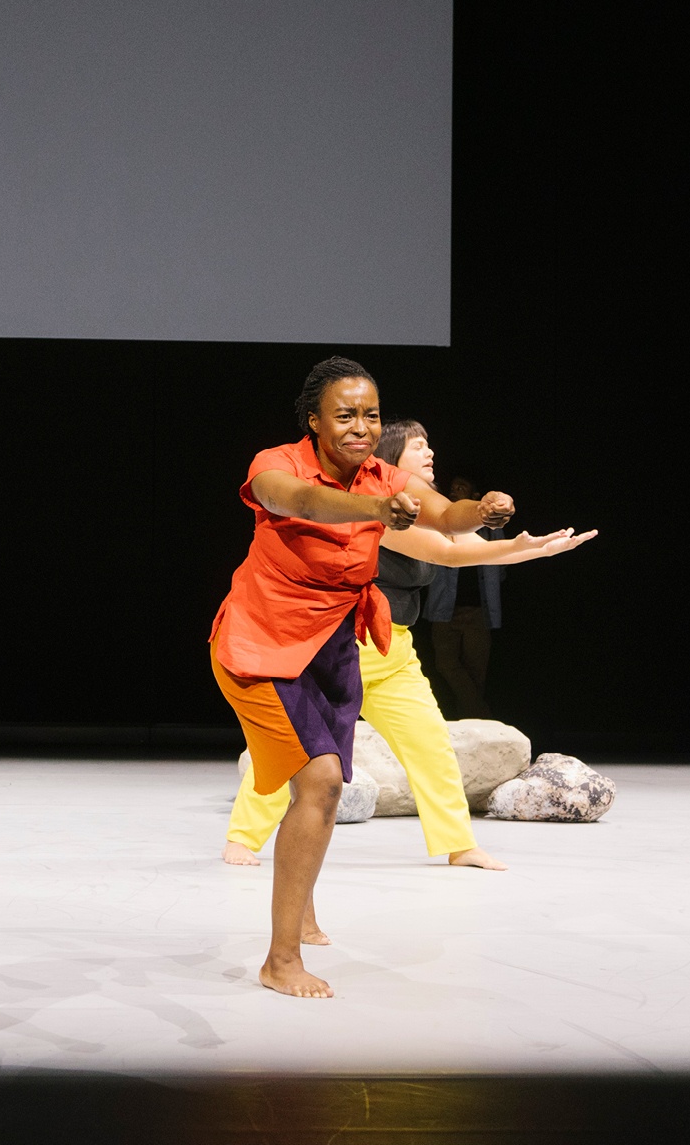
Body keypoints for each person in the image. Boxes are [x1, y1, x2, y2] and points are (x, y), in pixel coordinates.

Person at [209, 357, 517, 999]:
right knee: (319, 782)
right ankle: (280, 960)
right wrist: (376, 505)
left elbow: (444, 515)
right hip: (261, 645)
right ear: (315, 420)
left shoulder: (389, 475)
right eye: (345, 415)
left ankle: (303, 915)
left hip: (334, 649)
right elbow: (304, 502)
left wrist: (481, 511)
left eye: (371, 415)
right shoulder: (278, 464)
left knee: (318, 792)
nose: (360, 427)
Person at [220, 419, 596, 874]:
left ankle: (458, 843)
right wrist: (524, 550)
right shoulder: (377, 511)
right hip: (342, 643)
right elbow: (451, 553)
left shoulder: (423, 508)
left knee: (430, 742)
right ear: (392, 464)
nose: (431, 453)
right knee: (299, 746)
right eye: (420, 447)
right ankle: (243, 837)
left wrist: (533, 548)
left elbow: (462, 537)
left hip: (392, 647)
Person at [426, 476, 502, 719]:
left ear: (475, 494)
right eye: (452, 488)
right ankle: (482, 716)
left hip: (478, 611)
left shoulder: (492, 528)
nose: (455, 491)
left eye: (462, 487)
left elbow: (501, 564)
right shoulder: (441, 522)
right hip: (444, 609)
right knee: (445, 664)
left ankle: (470, 724)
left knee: (476, 671)